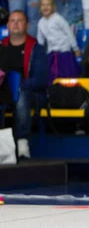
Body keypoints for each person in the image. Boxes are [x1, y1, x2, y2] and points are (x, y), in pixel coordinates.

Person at [0, 11, 48, 159]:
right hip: (4, 92)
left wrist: (18, 87)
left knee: (21, 96)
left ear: (27, 25)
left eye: (19, 20)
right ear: (7, 25)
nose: (15, 23)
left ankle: (22, 143)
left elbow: (40, 80)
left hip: (30, 93)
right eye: (12, 20)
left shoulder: (36, 48)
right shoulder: (1, 46)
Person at [36, 0, 80, 83]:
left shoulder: (58, 19)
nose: (45, 7)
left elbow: (69, 33)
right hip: (51, 54)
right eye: (43, 5)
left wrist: (75, 48)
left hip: (64, 52)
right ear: (40, 8)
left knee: (66, 76)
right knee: (52, 77)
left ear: (53, 7)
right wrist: (40, 53)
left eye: (48, 5)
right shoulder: (40, 22)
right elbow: (40, 39)